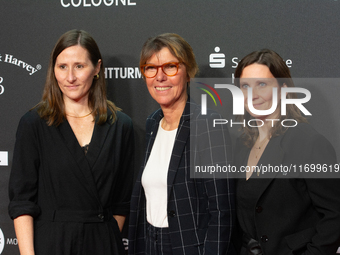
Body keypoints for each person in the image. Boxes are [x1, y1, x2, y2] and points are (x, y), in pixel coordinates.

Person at [8, 29, 134, 255]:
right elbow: (22, 201)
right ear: (53, 70)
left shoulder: (120, 125)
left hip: (104, 243)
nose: (70, 77)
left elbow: (121, 202)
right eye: (62, 66)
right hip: (52, 244)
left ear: (96, 68)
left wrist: (104, 236)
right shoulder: (34, 124)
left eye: (79, 66)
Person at [128, 33, 235, 255]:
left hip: (187, 247)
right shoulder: (153, 123)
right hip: (149, 243)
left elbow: (222, 210)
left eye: (170, 67)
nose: (160, 77)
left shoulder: (207, 124)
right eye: (151, 68)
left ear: (188, 72)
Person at [233, 49, 340, 254]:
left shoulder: (308, 141)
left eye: (261, 84)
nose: (252, 95)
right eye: (245, 86)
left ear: (282, 89)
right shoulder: (242, 145)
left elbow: (335, 216)